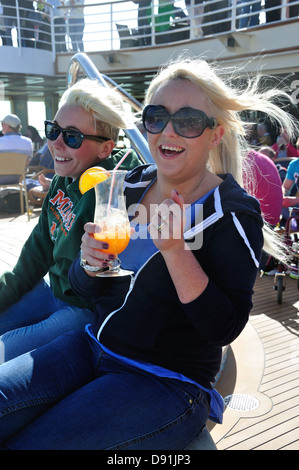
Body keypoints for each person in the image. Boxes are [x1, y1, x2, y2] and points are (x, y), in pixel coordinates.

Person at [0, 56, 296, 450]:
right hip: (91, 345)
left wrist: (176, 252)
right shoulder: (130, 185)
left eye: (188, 120)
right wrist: (88, 263)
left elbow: (224, 328)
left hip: (165, 382)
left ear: (214, 133)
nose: (168, 130)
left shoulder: (231, 212)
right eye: (156, 117)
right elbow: (85, 290)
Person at [0, 78, 141, 364]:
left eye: (72, 137)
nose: (56, 143)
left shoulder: (112, 191)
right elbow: (37, 249)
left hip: (82, 310)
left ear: (105, 149)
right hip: (51, 292)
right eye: (53, 131)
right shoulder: (62, 180)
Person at [0, 113, 33, 184]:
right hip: (19, 179)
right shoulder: (28, 142)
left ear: (7, 126)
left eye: (2, 124)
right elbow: (27, 162)